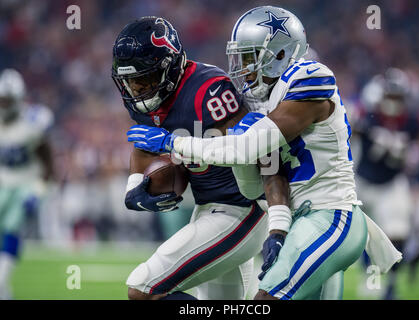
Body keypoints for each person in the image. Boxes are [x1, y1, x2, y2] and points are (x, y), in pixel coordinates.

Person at [127, 6, 402, 300]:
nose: (242, 67)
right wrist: (278, 230)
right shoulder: (266, 99)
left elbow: (245, 148)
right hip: (302, 220)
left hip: (330, 216)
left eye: (249, 57)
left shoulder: (308, 77)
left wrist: (172, 144)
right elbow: (259, 181)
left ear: (281, 53)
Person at [112, 16, 269, 300]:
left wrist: (177, 145)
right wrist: (135, 185)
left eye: (144, 79)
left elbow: (245, 149)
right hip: (208, 208)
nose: (137, 90)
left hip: (242, 209)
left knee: (143, 289)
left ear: (170, 67)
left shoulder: (209, 89)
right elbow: (144, 142)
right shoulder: (150, 98)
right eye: (132, 82)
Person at [353, 68, 419, 299]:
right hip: (361, 182)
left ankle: (390, 285)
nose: (394, 102)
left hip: (390, 184)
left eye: (398, 97)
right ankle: (366, 273)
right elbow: (344, 134)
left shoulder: (413, 121)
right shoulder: (366, 114)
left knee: (397, 235)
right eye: (390, 96)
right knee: (357, 235)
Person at [0, 68, 54, 299]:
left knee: (12, 228)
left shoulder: (32, 122)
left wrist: (38, 191)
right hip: (3, 183)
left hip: (26, 184)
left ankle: (2, 281)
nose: (3, 105)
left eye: (7, 101)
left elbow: (48, 164)